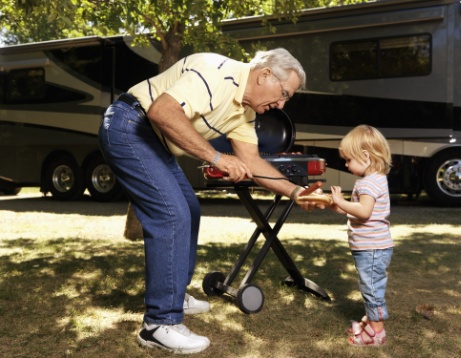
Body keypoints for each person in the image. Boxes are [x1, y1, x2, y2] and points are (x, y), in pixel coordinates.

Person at [98, 48, 318, 354]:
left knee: (189, 209)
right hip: (129, 125)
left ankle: (174, 294)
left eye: (287, 99)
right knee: (172, 215)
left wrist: (296, 192)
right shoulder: (217, 72)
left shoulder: (246, 111)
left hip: (155, 139)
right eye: (283, 94)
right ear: (265, 74)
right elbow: (162, 111)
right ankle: (159, 324)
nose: (282, 104)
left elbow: (252, 162)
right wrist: (217, 157)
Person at [328, 125, 393, 346]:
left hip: (372, 248)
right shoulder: (372, 180)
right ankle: (369, 320)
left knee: (372, 289)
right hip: (369, 247)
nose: (346, 164)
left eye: (348, 160)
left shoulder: (369, 183)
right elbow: (359, 210)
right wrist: (339, 206)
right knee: (369, 286)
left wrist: (341, 201)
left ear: (365, 156)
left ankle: (377, 333)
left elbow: (364, 212)